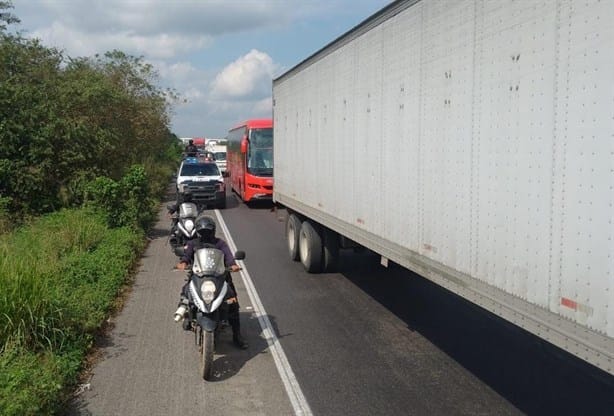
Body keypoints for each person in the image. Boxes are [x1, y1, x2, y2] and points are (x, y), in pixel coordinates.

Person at [175, 216, 248, 349]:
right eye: (202, 232)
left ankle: (237, 335)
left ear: (213, 231)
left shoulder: (220, 243)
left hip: (219, 276)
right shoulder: (193, 243)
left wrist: (232, 264)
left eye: (207, 232)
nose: (205, 234)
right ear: (198, 231)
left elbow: (228, 256)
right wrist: (183, 262)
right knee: (186, 292)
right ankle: (186, 315)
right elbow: (186, 255)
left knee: (233, 301)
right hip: (199, 276)